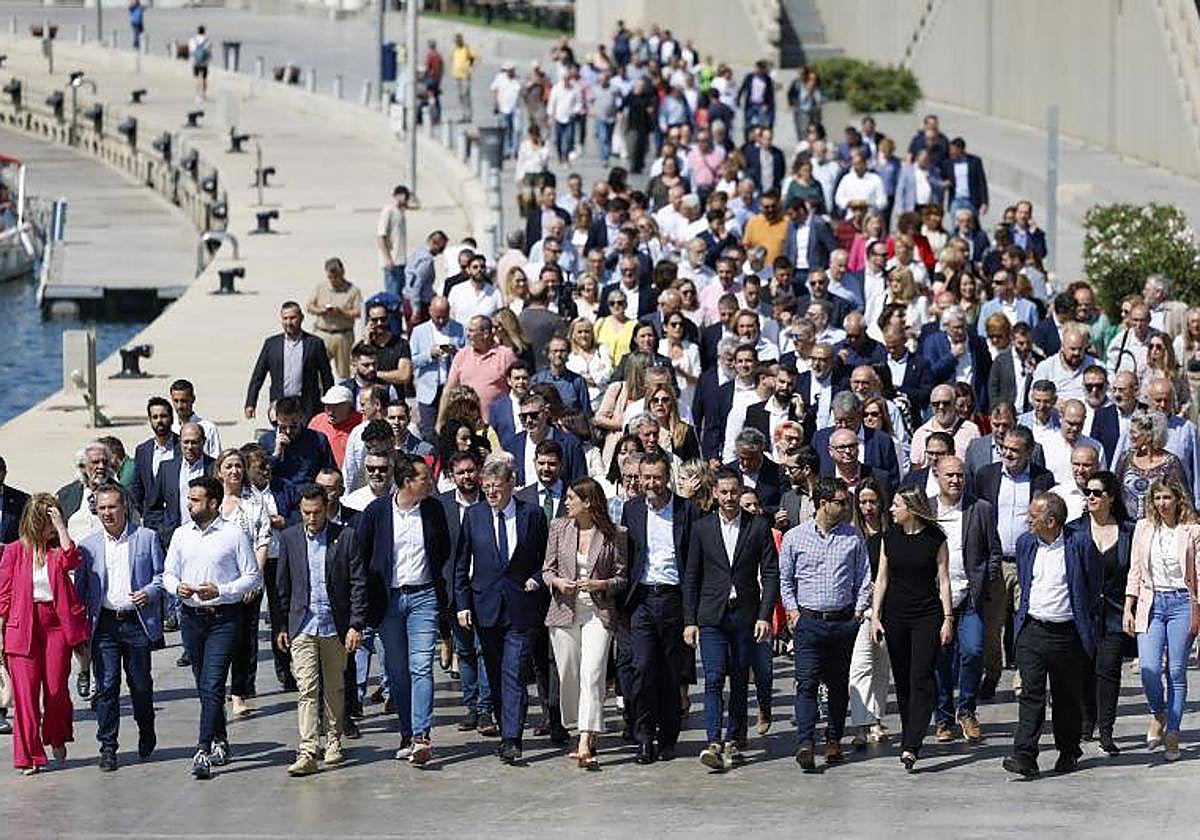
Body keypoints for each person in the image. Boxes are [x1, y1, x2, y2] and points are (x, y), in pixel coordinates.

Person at [163, 476, 261, 780]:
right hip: (192, 620)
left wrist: (221, 590)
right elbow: (167, 573)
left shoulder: (233, 535)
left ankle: (202, 749)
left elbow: (252, 577)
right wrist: (177, 587)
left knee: (214, 683)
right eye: (189, 498)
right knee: (204, 686)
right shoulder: (181, 535)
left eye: (195, 499)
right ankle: (220, 739)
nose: (189, 504)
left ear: (213, 503)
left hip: (224, 619)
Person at [455, 457, 550, 765]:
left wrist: (537, 578)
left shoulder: (531, 514)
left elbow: (544, 558)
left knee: (514, 672)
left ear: (512, 484)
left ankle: (512, 737)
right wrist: (462, 604)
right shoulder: (474, 515)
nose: (492, 493)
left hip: (521, 607)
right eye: (487, 487)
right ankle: (501, 719)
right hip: (486, 607)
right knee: (494, 673)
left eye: (497, 486)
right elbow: (461, 564)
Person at [357, 455, 450, 765]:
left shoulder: (434, 510)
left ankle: (422, 735)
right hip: (389, 601)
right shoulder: (376, 512)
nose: (431, 482)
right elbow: (363, 555)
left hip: (424, 597)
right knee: (397, 670)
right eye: (425, 477)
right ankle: (408, 732)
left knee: (422, 665)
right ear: (408, 482)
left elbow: (443, 550)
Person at [684, 469, 779, 771]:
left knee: (739, 677)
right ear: (714, 493)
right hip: (712, 614)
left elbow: (771, 572)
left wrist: (765, 615)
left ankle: (734, 737)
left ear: (741, 492)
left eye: (733, 492)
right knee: (713, 678)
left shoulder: (758, 526)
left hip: (745, 614)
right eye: (723, 492)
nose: (728, 498)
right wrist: (690, 620)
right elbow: (691, 577)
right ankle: (713, 740)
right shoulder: (702, 528)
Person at [1003, 492, 1100, 778]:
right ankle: (1025, 754)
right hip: (1033, 629)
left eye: (1034, 517)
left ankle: (1068, 750)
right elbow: (1025, 580)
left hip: (1066, 633)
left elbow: (1092, 585)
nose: (1028, 521)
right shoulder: (1026, 543)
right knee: (1030, 694)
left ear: (1052, 521)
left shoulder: (1079, 543)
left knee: (1065, 696)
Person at [276, 484, 367, 776]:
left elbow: (358, 583)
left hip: (334, 624)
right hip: (302, 623)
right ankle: (307, 750)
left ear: (326, 508)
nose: (311, 519)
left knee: (334, 686)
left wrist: (355, 624)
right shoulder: (290, 538)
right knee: (307, 688)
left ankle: (334, 740)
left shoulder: (345, 537)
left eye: (316, 513)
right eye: (306, 513)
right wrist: (281, 626)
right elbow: (282, 586)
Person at [779, 477, 869, 771]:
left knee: (838, 685)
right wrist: (792, 612)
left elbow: (863, 578)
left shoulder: (853, 537)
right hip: (809, 621)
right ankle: (805, 741)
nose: (846, 507)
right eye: (840, 502)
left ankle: (834, 738)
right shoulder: (795, 537)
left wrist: (857, 613)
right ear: (822, 503)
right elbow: (785, 580)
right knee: (806, 683)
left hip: (843, 621)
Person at [74, 483, 163, 770]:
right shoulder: (88, 546)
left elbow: (163, 577)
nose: (107, 513)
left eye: (112, 506)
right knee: (107, 686)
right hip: (105, 625)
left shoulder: (146, 538)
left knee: (139, 685)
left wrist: (148, 591)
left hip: (136, 622)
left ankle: (146, 728)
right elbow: (81, 590)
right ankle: (108, 747)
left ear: (124, 506)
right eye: (102, 508)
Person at [0, 495, 90, 773]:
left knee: (55, 691)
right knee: (25, 696)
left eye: (52, 521)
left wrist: (62, 528)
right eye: (45, 522)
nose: (48, 528)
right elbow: (3, 596)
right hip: (22, 626)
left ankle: (56, 734)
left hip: (55, 627)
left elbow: (72, 560)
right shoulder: (14, 552)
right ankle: (29, 756)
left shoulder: (57, 552)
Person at [543, 477, 628, 769]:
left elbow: (621, 577)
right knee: (569, 674)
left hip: (598, 612)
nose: (566, 502)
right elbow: (547, 569)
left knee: (592, 674)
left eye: (570, 498)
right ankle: (578, 724)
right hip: (564, 610)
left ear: (588, 502)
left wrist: (601, 583)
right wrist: (557, 582)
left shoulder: (615, 534)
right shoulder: (558, 528)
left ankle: (584, 739)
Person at [620, 450, 696, 764]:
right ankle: (643, 737)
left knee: (670, 672)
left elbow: (693, 562)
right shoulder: (632, 509)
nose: (651, 483)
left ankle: (667, 737)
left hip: (674, 598)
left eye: (657, 477)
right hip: (641, 600)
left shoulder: (687, 510)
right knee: (641, 669)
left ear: (668, 478)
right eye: (645, 477)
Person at [870, 487, 952, 771]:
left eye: (896, 505)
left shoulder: (935, 539)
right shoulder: (889, 538)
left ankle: (912, 744)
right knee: (903, 681)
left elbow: (943, 581)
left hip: (927, 616)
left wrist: (948, 618)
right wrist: (875, 616)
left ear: (911, 508)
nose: (891, 510)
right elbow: (881, 579)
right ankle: (909, 735)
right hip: (895, 616)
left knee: (921, 678)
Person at [1123, 475, 1200, 762]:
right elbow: (1135, 570)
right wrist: (1128, 607)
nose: (1162, 503)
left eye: (1167, 497)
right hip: (1151, 602)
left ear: (1178, 499)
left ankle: (1174, 732)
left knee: (1177, 671)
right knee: (1149, 668)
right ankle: (1158, 713)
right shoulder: (1143, 528)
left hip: (1181, 601)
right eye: (1157, 498)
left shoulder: (1192, 530)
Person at [930, 456, 1001, 744]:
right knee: (941, 661)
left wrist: (986, 579)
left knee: (972, 651)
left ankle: (967, 710)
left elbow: (993, 551)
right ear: (937, 476)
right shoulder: (926, 510)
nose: (955, 480)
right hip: (936, 599)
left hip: (971, 596)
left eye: (960, 475)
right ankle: (943, 717)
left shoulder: (980, 508)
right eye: (949, 475)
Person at [1069, 470, 1133, 755]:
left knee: (1108, 670)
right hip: (1083, 614)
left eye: (1097, 493)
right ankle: (1086, 721)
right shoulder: (1074, 530)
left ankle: (1106, 731)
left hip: (1116, 614)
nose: (1091, 497)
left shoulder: (1128, 531)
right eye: (1088, 493)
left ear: (1111, 497)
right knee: (1084, 669)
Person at [212, 450, 270, 719]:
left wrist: (254, 579)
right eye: (228, 466)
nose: (234, 471)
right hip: (216, 583)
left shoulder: (254, 501)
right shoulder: (212, 502)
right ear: (219, 471)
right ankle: (215, 689)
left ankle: (238, 692)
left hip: (246, 582)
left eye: (238, 466)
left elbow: (262, 540)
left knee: (244, 640)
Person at [847, 477, 891, 747]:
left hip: (889, 606)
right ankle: (862, 724)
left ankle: (876, 719)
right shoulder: (852, 534)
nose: (867, 507)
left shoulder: (892, 532)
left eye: (872, 501)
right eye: (862, 502)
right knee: (861, 665)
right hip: (862, 608)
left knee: (882, 667)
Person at [245, 300, 336, 423]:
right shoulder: (271, 344)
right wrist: (251, 402)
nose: (289, 322)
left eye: (293, 318)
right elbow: (258, 376)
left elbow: (327, 377)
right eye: (285, 318)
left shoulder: (314, 344)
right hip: (280, 403)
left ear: (301, 318)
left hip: (307, 405)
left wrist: (330, 403)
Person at [1113, 410, 1187, 519]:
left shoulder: (1171, 462)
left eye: (1134, 432)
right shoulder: (1126, 458)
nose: (1130, 436)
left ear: (1149, 434)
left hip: (1159, 527)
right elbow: (1114, 492)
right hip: (1127, 527)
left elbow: (1184, 498)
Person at [305, 258, 362, 381]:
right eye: (330, 277)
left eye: (336, 277)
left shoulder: (353, 291)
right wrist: (321, 310)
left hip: (343, 335)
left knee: (343, 373)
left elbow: (358, 312)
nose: (333, 280)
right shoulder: (321, 287)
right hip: (323, 333)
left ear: (342, 273)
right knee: (317, 369)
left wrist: (342, 312)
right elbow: (309, 306)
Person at [169, 379, 222, 460]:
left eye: (183, 401)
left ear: (193, 399)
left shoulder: (208, 428)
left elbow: (216, 460)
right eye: (176, 401)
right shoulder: (170, 428)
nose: (179, 406)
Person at [377, 185, 413, 298]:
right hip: (393, 261)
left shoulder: (400, 212)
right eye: (406, 198)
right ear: (400, 196)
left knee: (401, 295)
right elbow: (381, 236)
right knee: (393, 295)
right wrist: (387, 258)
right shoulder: (389, 211)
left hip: (401, 261)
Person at [450, 32, 476, 117]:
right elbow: (452, 60)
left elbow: (473, 58)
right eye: (455, 41)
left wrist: (469, 68)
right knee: (460, 96)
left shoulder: (467, 48)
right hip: (457, 76)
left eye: (458, 40)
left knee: (466, 95)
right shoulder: (455, 50)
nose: (457, 42)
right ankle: (463, 113)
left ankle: (469, 114)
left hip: (465, 75)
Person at [188, 25, 211, 102]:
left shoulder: (193, 40)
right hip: (204, 62)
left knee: (197, 78)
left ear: (197, 31)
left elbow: (191, 51)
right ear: (204, 31)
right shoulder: (207, 41)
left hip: (196, 62)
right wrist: (208, 61)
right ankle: (204, 95)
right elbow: (209, 52)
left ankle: (198, 96)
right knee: (204, 79)